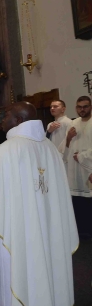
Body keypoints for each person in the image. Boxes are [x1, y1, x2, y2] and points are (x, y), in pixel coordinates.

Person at [0, 102, 78, 306]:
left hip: (18, 234)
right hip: (47, 232)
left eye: (6, 115)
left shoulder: (6, 150)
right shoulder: (50, 149)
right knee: (45, 275)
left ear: (19, 120)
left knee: (18, 274)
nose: (2, 120)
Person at [61, 95, 92, 239]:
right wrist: (68, 138)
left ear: (90, 107)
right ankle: (81, 232)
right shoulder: (73, 123)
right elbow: (64, 148)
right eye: (79, 107)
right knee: (78, 202)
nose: (82, 109)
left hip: (89, 169)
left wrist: (82, 156)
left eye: (85, 106)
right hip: (75, 171)